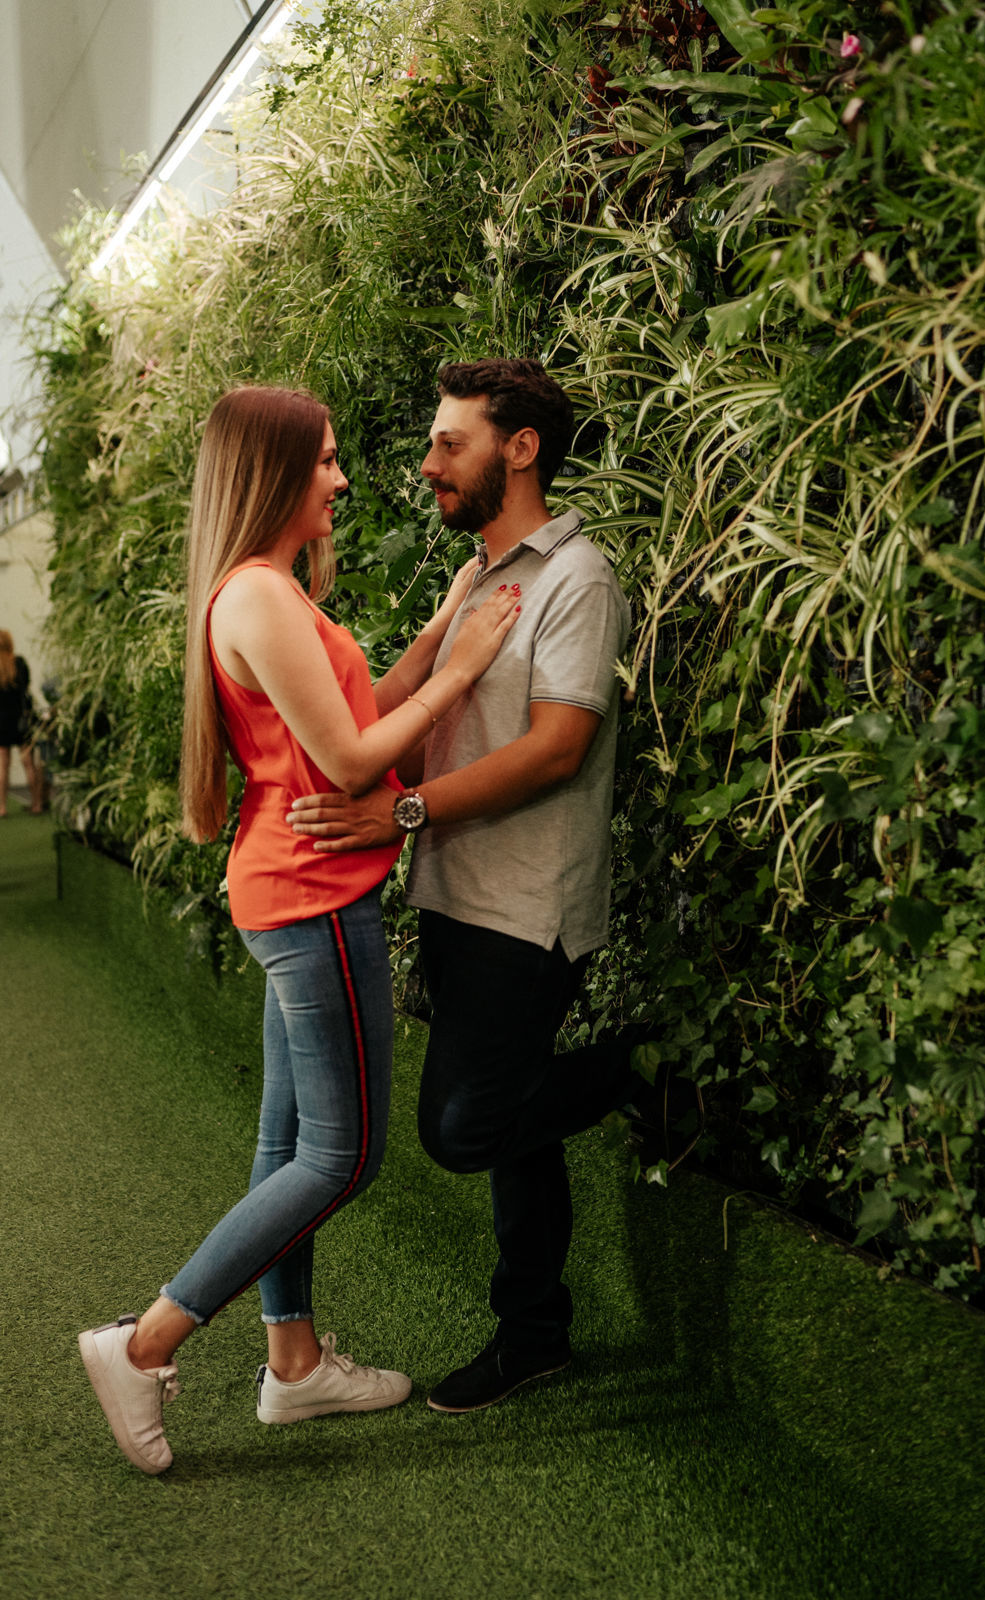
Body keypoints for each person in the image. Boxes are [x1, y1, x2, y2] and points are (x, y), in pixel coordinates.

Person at [78, 385, 520, 1474]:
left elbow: (353, 714)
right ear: (272, 472)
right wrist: (465, 667)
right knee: (343, 1153)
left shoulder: (265, 592)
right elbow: (358, 761)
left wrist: (441, 630)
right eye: (322, 460)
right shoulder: (259, 598)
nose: (341, 477)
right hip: (312, 895)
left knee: (286, 1146)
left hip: (290, 888)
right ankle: (144, 1343)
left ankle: (294, 1364)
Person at [288, 358, 637, 1413]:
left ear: (518, 449)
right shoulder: (480, 576)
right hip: (455, 895)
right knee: (515, 1131)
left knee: (463, 1130)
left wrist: (399, 815)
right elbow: (403, 711)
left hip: (527, 907)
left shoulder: (577, 579)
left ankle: (649, 1073)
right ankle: (533, 1332)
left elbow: (556, 750)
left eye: (451, 443)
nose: (428, 463)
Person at [0, 630, 45, 816]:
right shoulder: (19, 663)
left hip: (1, 720)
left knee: (3, 765)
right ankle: (36, 804)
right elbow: (26, 687)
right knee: (28, 763)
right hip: (21, 719)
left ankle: (2, 807)